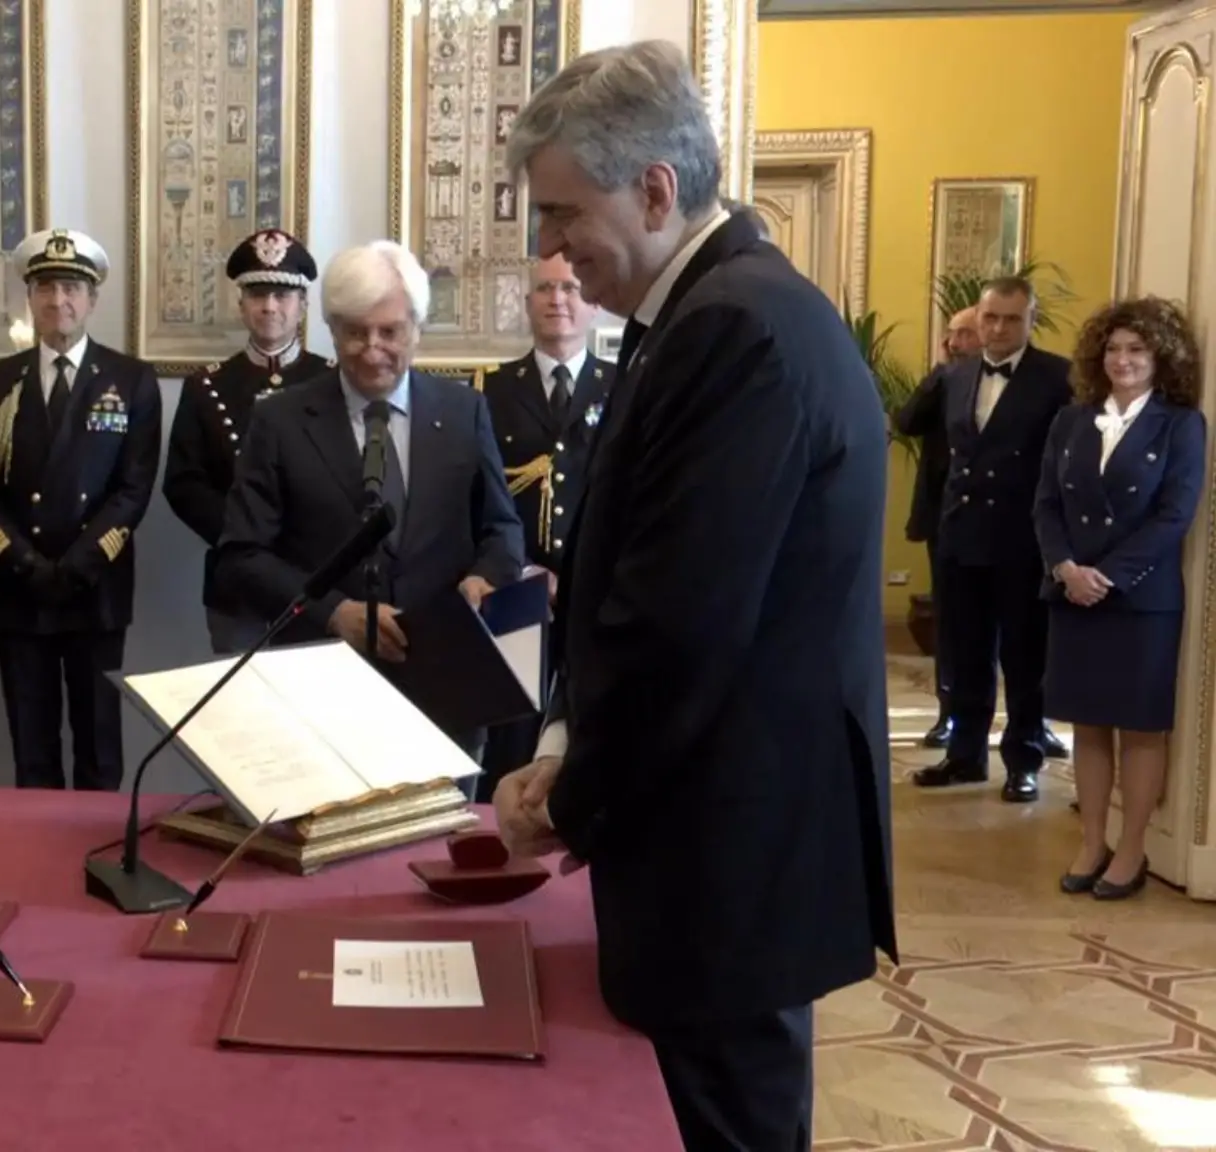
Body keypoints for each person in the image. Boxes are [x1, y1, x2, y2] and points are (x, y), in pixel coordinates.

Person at [490, 41, 896, 1150]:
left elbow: (679, 623)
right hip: (721, 835)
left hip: (730, 852)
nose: (550, 247)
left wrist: (568, 800)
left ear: (655, 191)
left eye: (563, 213)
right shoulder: (716, 309)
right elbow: (631, 574)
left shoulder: (731, 327)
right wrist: (567, 740)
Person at [214, 239, 525, 764]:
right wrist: (334, 613)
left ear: (417, 329)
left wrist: (487, 577)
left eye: (390, 332)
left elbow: (502, 527)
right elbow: (241, 555)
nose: (372, 348)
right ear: (332, 330)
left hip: (445, 683)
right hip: (323, 686)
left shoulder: (464, 411)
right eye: (355, 332)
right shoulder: (280, 420)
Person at [0, 228, 163, 791]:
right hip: (19, 586)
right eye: (46, 288)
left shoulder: (131, 379)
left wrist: (79, 563)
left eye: (72, 288)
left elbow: (134, 488)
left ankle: (100, 844)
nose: (59, 301)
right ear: (30, 298)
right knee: (33, 747)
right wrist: (22, 561)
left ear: (92, 299)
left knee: (99, 746)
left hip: (95, 587)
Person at [1035, 297, 1206, 899]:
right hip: (1072, 593)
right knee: (1087, 724)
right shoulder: (1071, 420)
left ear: (1162, 358)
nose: (1122, 359)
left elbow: (1174, 515)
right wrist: (1065, 568)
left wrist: (1106, 576)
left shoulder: (1181, 425)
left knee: (1139, 728)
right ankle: (1092, 841)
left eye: (1136, 349)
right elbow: (1046, 505)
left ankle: (1131, 849)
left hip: (1140, 599)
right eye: (1113, 348)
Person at [902, 278, 1073, 802]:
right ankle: (965, 757)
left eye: (1012, 319)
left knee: (1024, 658)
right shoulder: (956, 374)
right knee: (966, 653)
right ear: (976, 319)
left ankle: (1023, 760)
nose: (999, 328)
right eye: (990, 317)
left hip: (1023, 540)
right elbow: (916, 428)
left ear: (1030, 321)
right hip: (961, 536)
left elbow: (1066, 464)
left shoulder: (1058, 377)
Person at [469, 252, 609, 798]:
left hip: (595, 592)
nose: (558, 300)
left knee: (591, 723)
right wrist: (523, 568)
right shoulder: (489, 390)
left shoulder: (625, 385)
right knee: (512, 732)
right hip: (515, 587)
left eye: (570, 288)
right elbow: (478, 498)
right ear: (527, 303)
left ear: (592, 303)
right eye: (546, 289)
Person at [163, 228, 331, 653]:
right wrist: (243, 537)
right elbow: (184, 485)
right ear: (241, 305)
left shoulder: (331, 382)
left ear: (303, 305)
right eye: (257, 295)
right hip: (237, 588)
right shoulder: (206, 386)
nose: (269, 306)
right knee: (240, 696)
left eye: (282, 295)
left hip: (316, 583)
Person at [899, 306, 979, 748]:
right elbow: (906, 421)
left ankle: (1029, 722)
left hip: (1006, 522)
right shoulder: (944, 380)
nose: (955, 341)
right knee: (949, 620)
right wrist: (940, 371)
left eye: (964, 333)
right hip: (946, 518)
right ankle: (949, 714)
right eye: (951, 334)